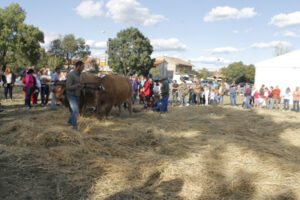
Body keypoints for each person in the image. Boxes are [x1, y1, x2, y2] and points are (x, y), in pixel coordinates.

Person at [66, 61, 84, 130]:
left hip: (77, 95)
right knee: (76, 110)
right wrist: (77, 85)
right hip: (71, 95)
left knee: (73, 111)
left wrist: (81, 86)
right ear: (78, 66)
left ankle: (70, 121)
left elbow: (79, 85)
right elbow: (68, 87)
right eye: (82, 67)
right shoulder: (71, 74)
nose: (83, 68)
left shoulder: (80, 75)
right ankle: (74, 127)